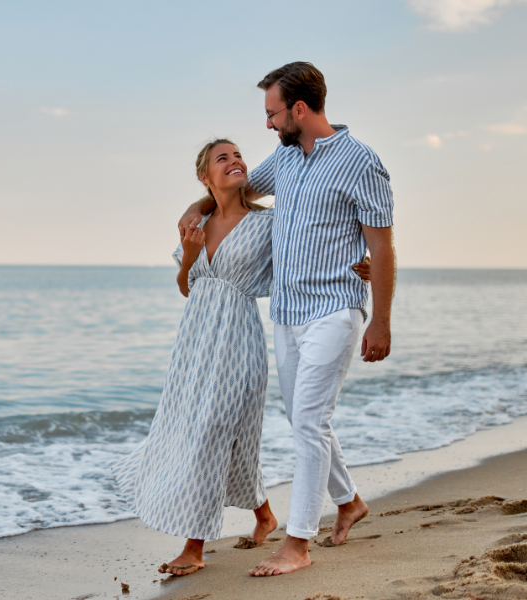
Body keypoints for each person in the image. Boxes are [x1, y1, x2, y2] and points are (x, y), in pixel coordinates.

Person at [111, 138, 371, 577]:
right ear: (204, 176)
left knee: (213, 429)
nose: (235, 162)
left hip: (239, 339)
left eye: (238, 156)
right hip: (194, 340)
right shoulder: (198, 223)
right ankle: (265, 516)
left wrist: (358, 262)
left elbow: (311, 248)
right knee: (224, 434)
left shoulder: (269, 223)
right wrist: (190, 256)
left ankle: (193, 546)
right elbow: (186, 286)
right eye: (222, 158)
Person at [179, 62, 395, 577]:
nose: (268, 125)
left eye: (273, 113)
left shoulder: (362, 163)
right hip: (287, 313)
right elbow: (233, 191)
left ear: (299, 109)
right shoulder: (285, 160)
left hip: (336, 309)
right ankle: (349, 502)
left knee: (310, 423)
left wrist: (380, 320)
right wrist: (193, 207)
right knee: (303, 419)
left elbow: (383, 248)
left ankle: (297, 541)